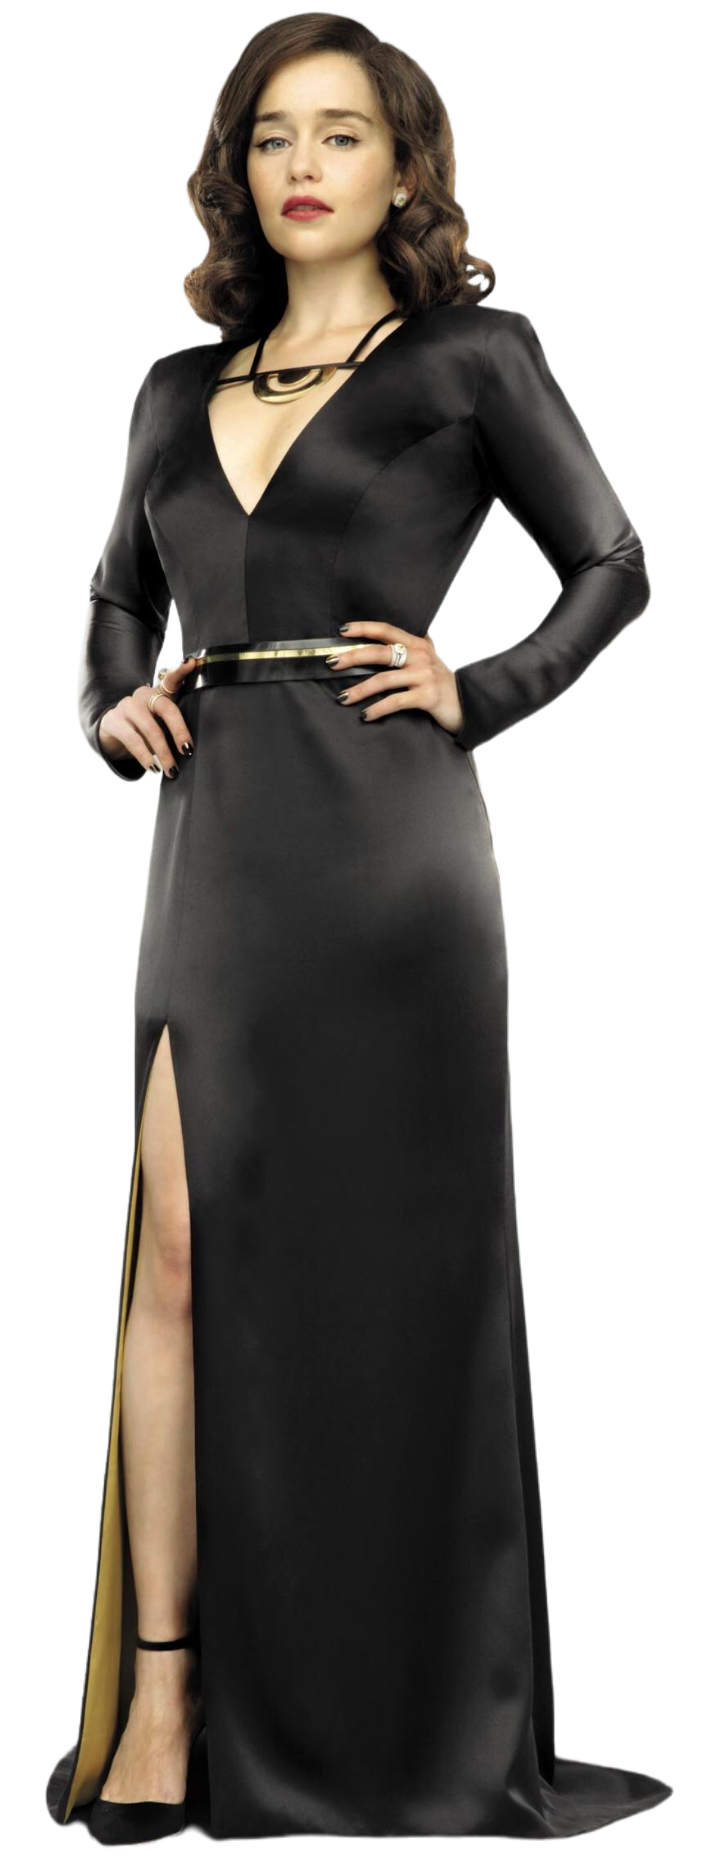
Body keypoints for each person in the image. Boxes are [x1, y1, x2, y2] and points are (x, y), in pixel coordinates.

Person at [45, 11, 674, 1846]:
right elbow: (117, 602)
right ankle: (170, 1701)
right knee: (176, 1254)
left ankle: (403, 1710)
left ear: (407, 166)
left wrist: (484, 687)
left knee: (393, 1276)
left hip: (392, 852)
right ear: (234, 174)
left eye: (341, 132)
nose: (302, 164)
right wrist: (110, 704)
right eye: (268, 136)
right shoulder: (172, 385)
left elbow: (616, 564)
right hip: (216, 838)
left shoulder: (472, 356)